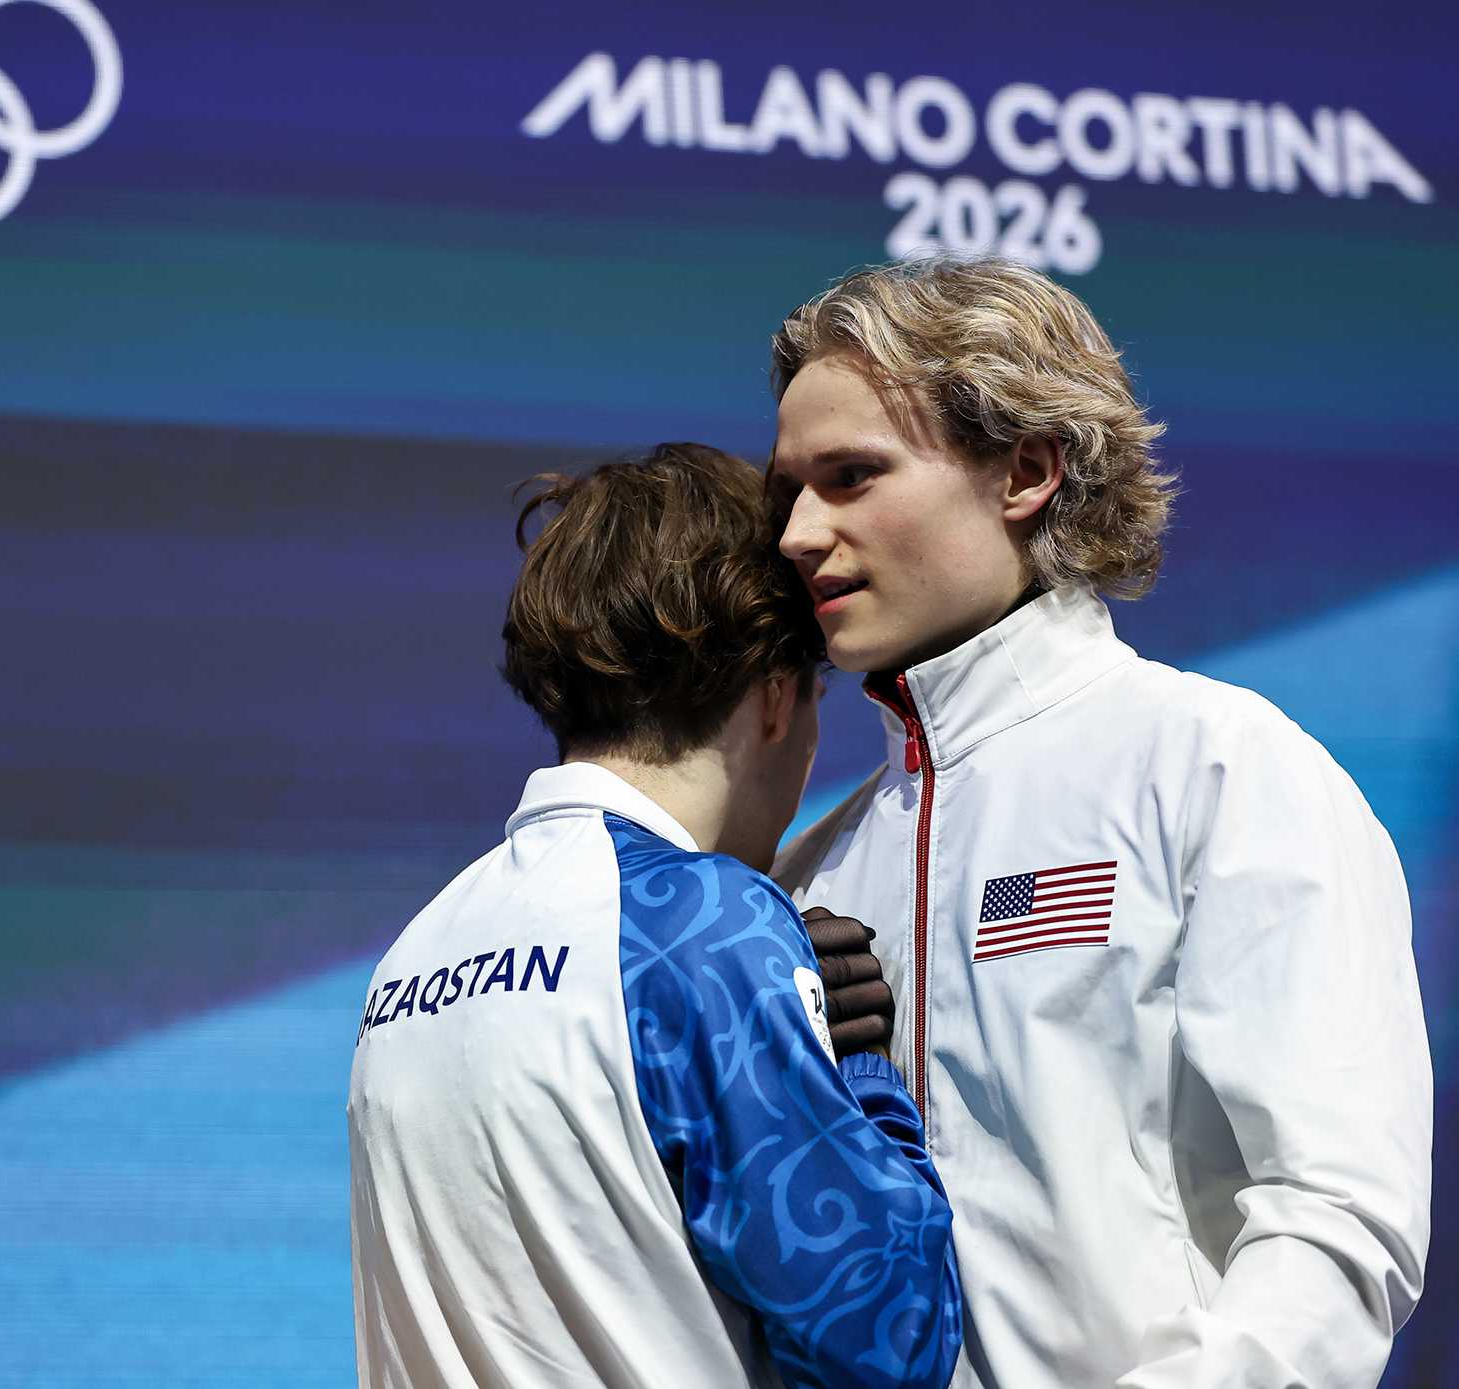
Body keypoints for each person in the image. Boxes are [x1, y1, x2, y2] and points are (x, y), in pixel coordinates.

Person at [767, 259, 1431, 1388]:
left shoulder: (1214, 766)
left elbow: (1337, 1221)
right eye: (788, 488)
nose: (793, 531)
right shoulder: (808, 869)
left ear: (1023, 471)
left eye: (849, 477)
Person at [347, 442, 962, 1389]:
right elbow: (891, 1341)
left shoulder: (413, 955)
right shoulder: (707, 924)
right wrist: (864, 1073)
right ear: (773, 697)